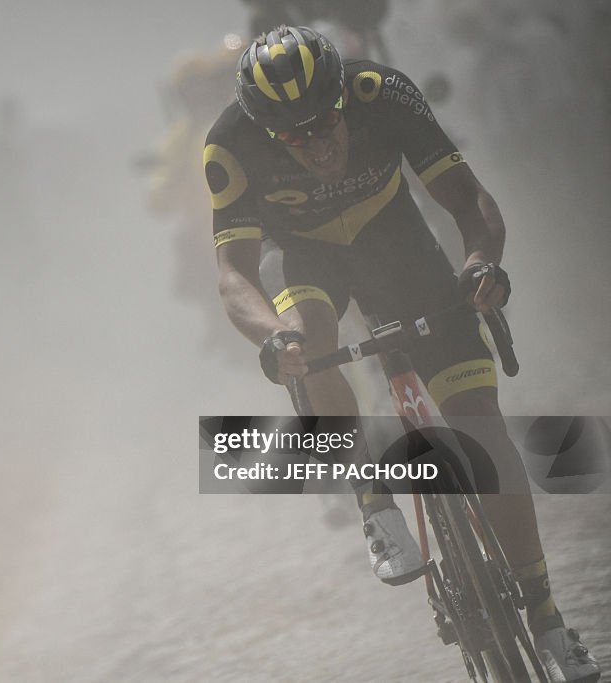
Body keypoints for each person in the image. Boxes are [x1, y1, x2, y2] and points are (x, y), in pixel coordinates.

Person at [204, 25, 600, 681]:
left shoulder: (381, 93)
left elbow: (470, 200)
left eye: (325, 123)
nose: (318, 144)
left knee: (482, 430)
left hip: (398, 244)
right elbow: (233, 275)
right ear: (264, 131)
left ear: (342, 99)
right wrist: (272, 338)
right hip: (310, 258)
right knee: (310, 335)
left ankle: (551, 621)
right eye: (293, 137)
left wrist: (479, 265)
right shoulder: (229, 144)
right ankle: (374, 503)